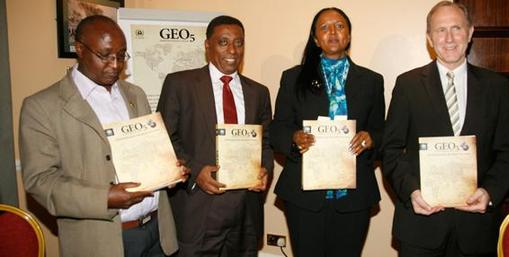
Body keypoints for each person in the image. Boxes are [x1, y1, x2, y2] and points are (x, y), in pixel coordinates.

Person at [19, 15, 185, 257]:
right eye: (105, 55)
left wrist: (168, 169)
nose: (115, 65)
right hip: (101, 242)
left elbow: (148, 152)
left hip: (157, 232)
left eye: (121, 55)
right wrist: (104, 198)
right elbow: (40, 181)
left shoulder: (135, 94)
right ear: (79, 49)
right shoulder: (41, 106)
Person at [382, 2, 509, 256]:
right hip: (420, 228)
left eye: (456, 28)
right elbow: (390, 150)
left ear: (470, 33)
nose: (448, 38)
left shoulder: (497, 87)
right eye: (440, 30)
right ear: (429, 38)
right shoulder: (407, 85)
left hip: (477, 229)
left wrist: (489, 192)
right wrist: (411, 191)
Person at [270, 7, 384, 257]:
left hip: (354, 195)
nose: (333, 32)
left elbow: (383, 131)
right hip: (304, 195)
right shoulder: (293, 78)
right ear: (315, 38)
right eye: (324, 27)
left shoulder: (372, 81)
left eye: (340, 26)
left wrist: (371, 138)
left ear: (349, 35)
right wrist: (294, 137)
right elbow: (277, 127)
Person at [156, 15, 274, 257]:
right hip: (198, 209)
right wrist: (196, 170)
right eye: (223, 42)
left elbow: (266, 143)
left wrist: (265, 170)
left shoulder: (259, 93)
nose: (233, 50)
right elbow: (165, 138)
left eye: (239, 43)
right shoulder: (180, 84)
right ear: (207, 45)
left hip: (245, 213)